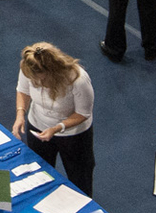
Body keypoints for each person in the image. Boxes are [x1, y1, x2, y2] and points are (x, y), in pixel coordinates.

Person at [12, 42, 95, 194]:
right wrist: (20, 114)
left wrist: (57, 128)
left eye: (41, 80)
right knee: (38, 172)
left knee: (79, 179)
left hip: (73, 135)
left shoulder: (78, 80)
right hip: (38, 125)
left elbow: (83, 113)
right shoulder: (29, 68)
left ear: (52, 71)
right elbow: (23, 91)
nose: (37, 83)